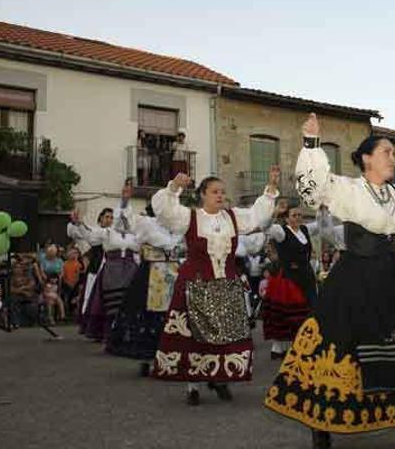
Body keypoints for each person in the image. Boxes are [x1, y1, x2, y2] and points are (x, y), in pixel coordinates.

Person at [266, 114, 395, 448]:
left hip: (392, 278)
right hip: (355, 278)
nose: (393, 157)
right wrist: (312, 143)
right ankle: (321, 423)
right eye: (387, 151)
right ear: (367, 158)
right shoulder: (348, 188)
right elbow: (312, 188)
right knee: (339, 346)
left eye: (392, 152)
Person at [150, 163, 279, 406]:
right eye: (215, 192)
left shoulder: (232, 217)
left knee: (226, 335)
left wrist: (271, 186)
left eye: (222, 192)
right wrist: (174, 186)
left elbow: (256, 216)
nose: (220, 195)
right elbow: (165, 211)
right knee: (192, 337)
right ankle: (193, 386)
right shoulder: (190, 216)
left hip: (225, 284)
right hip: (195, 284)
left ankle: (221, 380)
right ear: (203, 195)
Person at [105, 203, 184, 376]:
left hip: (173, 273)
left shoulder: (177, 226)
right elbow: (122, 226)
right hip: (151, 273)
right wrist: (124, 204)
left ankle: (172, 357)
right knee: (149, 315)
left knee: (174, 315)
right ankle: (148, 358)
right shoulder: (147, 223)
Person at [68, 185, 141, 342]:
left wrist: (126, 201)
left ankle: (127, 334)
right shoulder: (107, 232)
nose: (123, 221)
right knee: (111, 303)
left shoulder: (134, 236)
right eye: (120, 218)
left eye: (126, 218)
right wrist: (79, 223)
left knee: (129, 302)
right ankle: (110, 334)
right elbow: (90, 235)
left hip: (130, 269)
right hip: (112, 270)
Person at [264, 201, 318, 360]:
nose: (297, 218)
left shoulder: (305, 230)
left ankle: (304, 344)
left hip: (306, 276)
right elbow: (266, 226)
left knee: (310, 308)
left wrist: (322, 208)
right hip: (289, 277)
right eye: (294, 215)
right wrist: (274, 212)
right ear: (286, 218)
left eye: (300, 215)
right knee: (289, 312)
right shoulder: (282, 232)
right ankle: (282, 347)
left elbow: (321, 224)